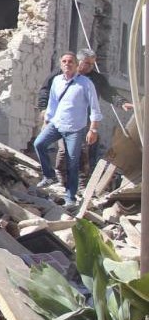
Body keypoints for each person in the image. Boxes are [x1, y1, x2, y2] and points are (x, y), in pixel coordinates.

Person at [34, 51, 102, 206]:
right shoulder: (57, 81)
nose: (67, 64)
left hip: (75, 128)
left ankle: (70, 197)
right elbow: (52, 103)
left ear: (77, 65)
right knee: (39, 144)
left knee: (72, 162)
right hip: (57, 124)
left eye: (70, 61)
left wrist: (93, 130)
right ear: (61, 64)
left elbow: (95, 109)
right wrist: (47, 120)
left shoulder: (85, 83)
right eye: (64, 61)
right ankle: (49, 175)